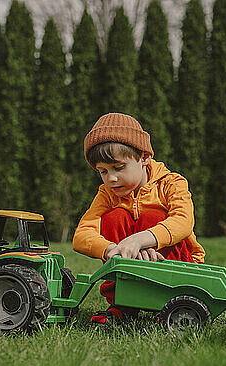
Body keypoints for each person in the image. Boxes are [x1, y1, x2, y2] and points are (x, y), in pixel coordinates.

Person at [72, 112, 205, 325]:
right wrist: (111, 249)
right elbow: (82, 235)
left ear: (144, 157)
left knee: (152, 216)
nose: (111, 178)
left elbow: (183, 221)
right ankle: (122, 307)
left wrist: (139, 240)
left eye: (118, 167)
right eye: (102, 171)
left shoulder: (171, 183)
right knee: (114, 217)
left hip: (176, 270)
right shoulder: (107, 194)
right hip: (130, 267)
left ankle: (166, 303)